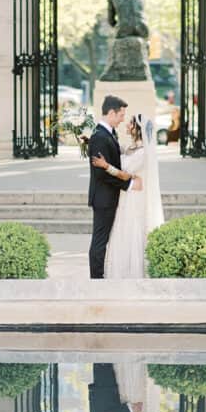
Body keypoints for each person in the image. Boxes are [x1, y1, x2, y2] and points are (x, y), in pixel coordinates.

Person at [90, 113, 165, 279]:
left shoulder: (143, 153)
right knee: (121, 230)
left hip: (134, 198)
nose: (126, 125)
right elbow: (115, 150)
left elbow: (124, 174)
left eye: (130, 123)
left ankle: (130, 273)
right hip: (126, 195)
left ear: (137, 129)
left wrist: (106, 165)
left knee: (130, 230)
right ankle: (120, 270)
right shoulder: (131, 148)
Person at [88, 95, 142, 279]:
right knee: (100, 241)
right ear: (111, 113)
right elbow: (101, 174)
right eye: (121, 115)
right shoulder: (99, 137)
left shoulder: (109, 134)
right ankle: (96, 279)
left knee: (103, 240)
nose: (122, 120)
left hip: (110, 197)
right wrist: (129, 184)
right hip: (103, 198)